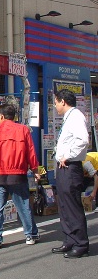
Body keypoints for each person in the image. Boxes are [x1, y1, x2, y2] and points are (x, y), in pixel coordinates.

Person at [0, 104, 41, 249]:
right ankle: (30, 235)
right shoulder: (23, 130)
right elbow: (31, 153)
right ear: (14, 116)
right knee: (24, 205)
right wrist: (37, 170)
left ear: (1, 116)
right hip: (18, 174)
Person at [52, 89, 90, 258]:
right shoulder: (68, 118)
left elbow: (83, 140)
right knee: (65, 205)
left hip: (70, 166)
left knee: (72, 205)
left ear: (63, 102)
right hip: (63, 166)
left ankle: (81, 243)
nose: (55, 105)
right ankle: (70, 239)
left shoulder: (75, 117)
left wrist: (68, 155)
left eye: (56, 102)